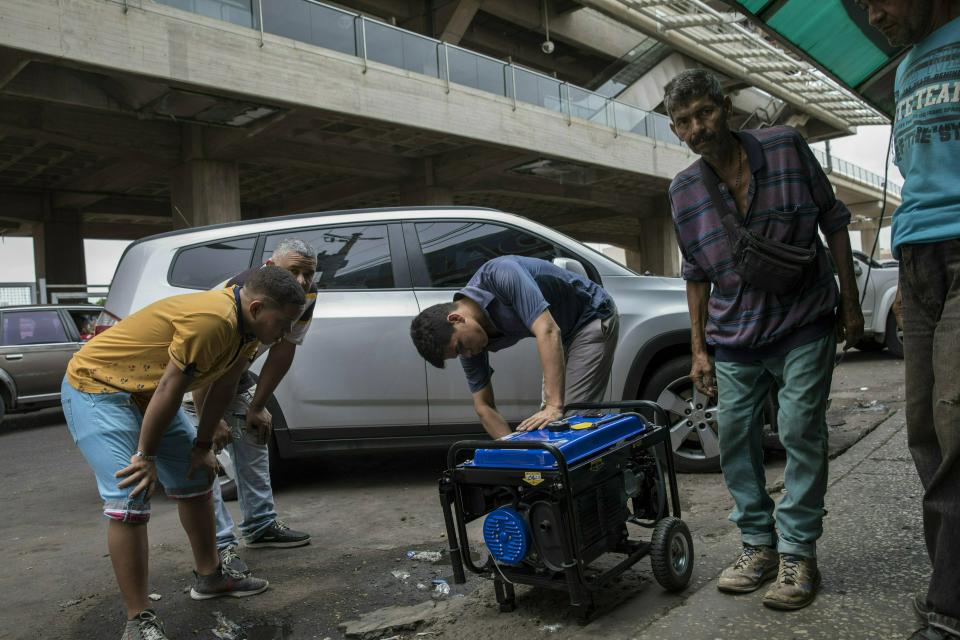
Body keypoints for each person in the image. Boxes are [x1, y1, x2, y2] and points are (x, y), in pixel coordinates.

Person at [665, 69, 864, 611]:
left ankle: (798, 551)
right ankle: (758, 545)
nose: (697, 128)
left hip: (804, 319)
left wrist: (850, 302)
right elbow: (695, 274)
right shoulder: (683, 190)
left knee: (800, 428)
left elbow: (835, 220)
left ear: (724, 107)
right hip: (734, 335)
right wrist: (700, 348)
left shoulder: (785, 145)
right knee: (733, 439)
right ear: (675, 130)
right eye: (684, 122)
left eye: (704, 113)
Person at [61, 266, 306, 640]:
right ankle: (138, 619)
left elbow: (222, 385)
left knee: (197, 474)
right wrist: (145, 455)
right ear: (256, 307)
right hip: (98, 387)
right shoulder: (213, 320)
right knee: (131, 493)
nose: (286, 332)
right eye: (283, 322)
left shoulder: (252, 331)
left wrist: (202, 446)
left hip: (148, 389)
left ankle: (210, 578)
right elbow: (171, 389)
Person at [859, 2, 960, 637]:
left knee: (957, 421)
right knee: (923, 426)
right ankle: (947, 578)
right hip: (917, 259)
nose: (874, 15)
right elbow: (913, 172)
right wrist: (903, 268)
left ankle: (948, 609)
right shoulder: (904, 69)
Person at [196, 239, 318, 577]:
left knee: (254, 435)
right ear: (268, 267)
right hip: (193, 378)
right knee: (202, 456)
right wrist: (211, 421)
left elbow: (283, 349)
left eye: (308, 273)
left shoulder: (305, 295)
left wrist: (258, 406)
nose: (302, 281)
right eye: (293, 271)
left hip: (233, 369)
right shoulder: (241, 293)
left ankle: (261, 525)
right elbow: (207, 368)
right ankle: (220, 546)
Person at [410, 255, 618, 439]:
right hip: (560, 331)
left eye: (460, 347)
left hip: (590, 316)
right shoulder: (468, 340)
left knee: (570, 417)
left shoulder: (501, 274)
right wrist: (513, 451)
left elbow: (547, 331)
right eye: (459, 354)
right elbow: (484, 407)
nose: (468, 354)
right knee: (551, 424)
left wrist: (554, 406)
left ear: (456, 319)